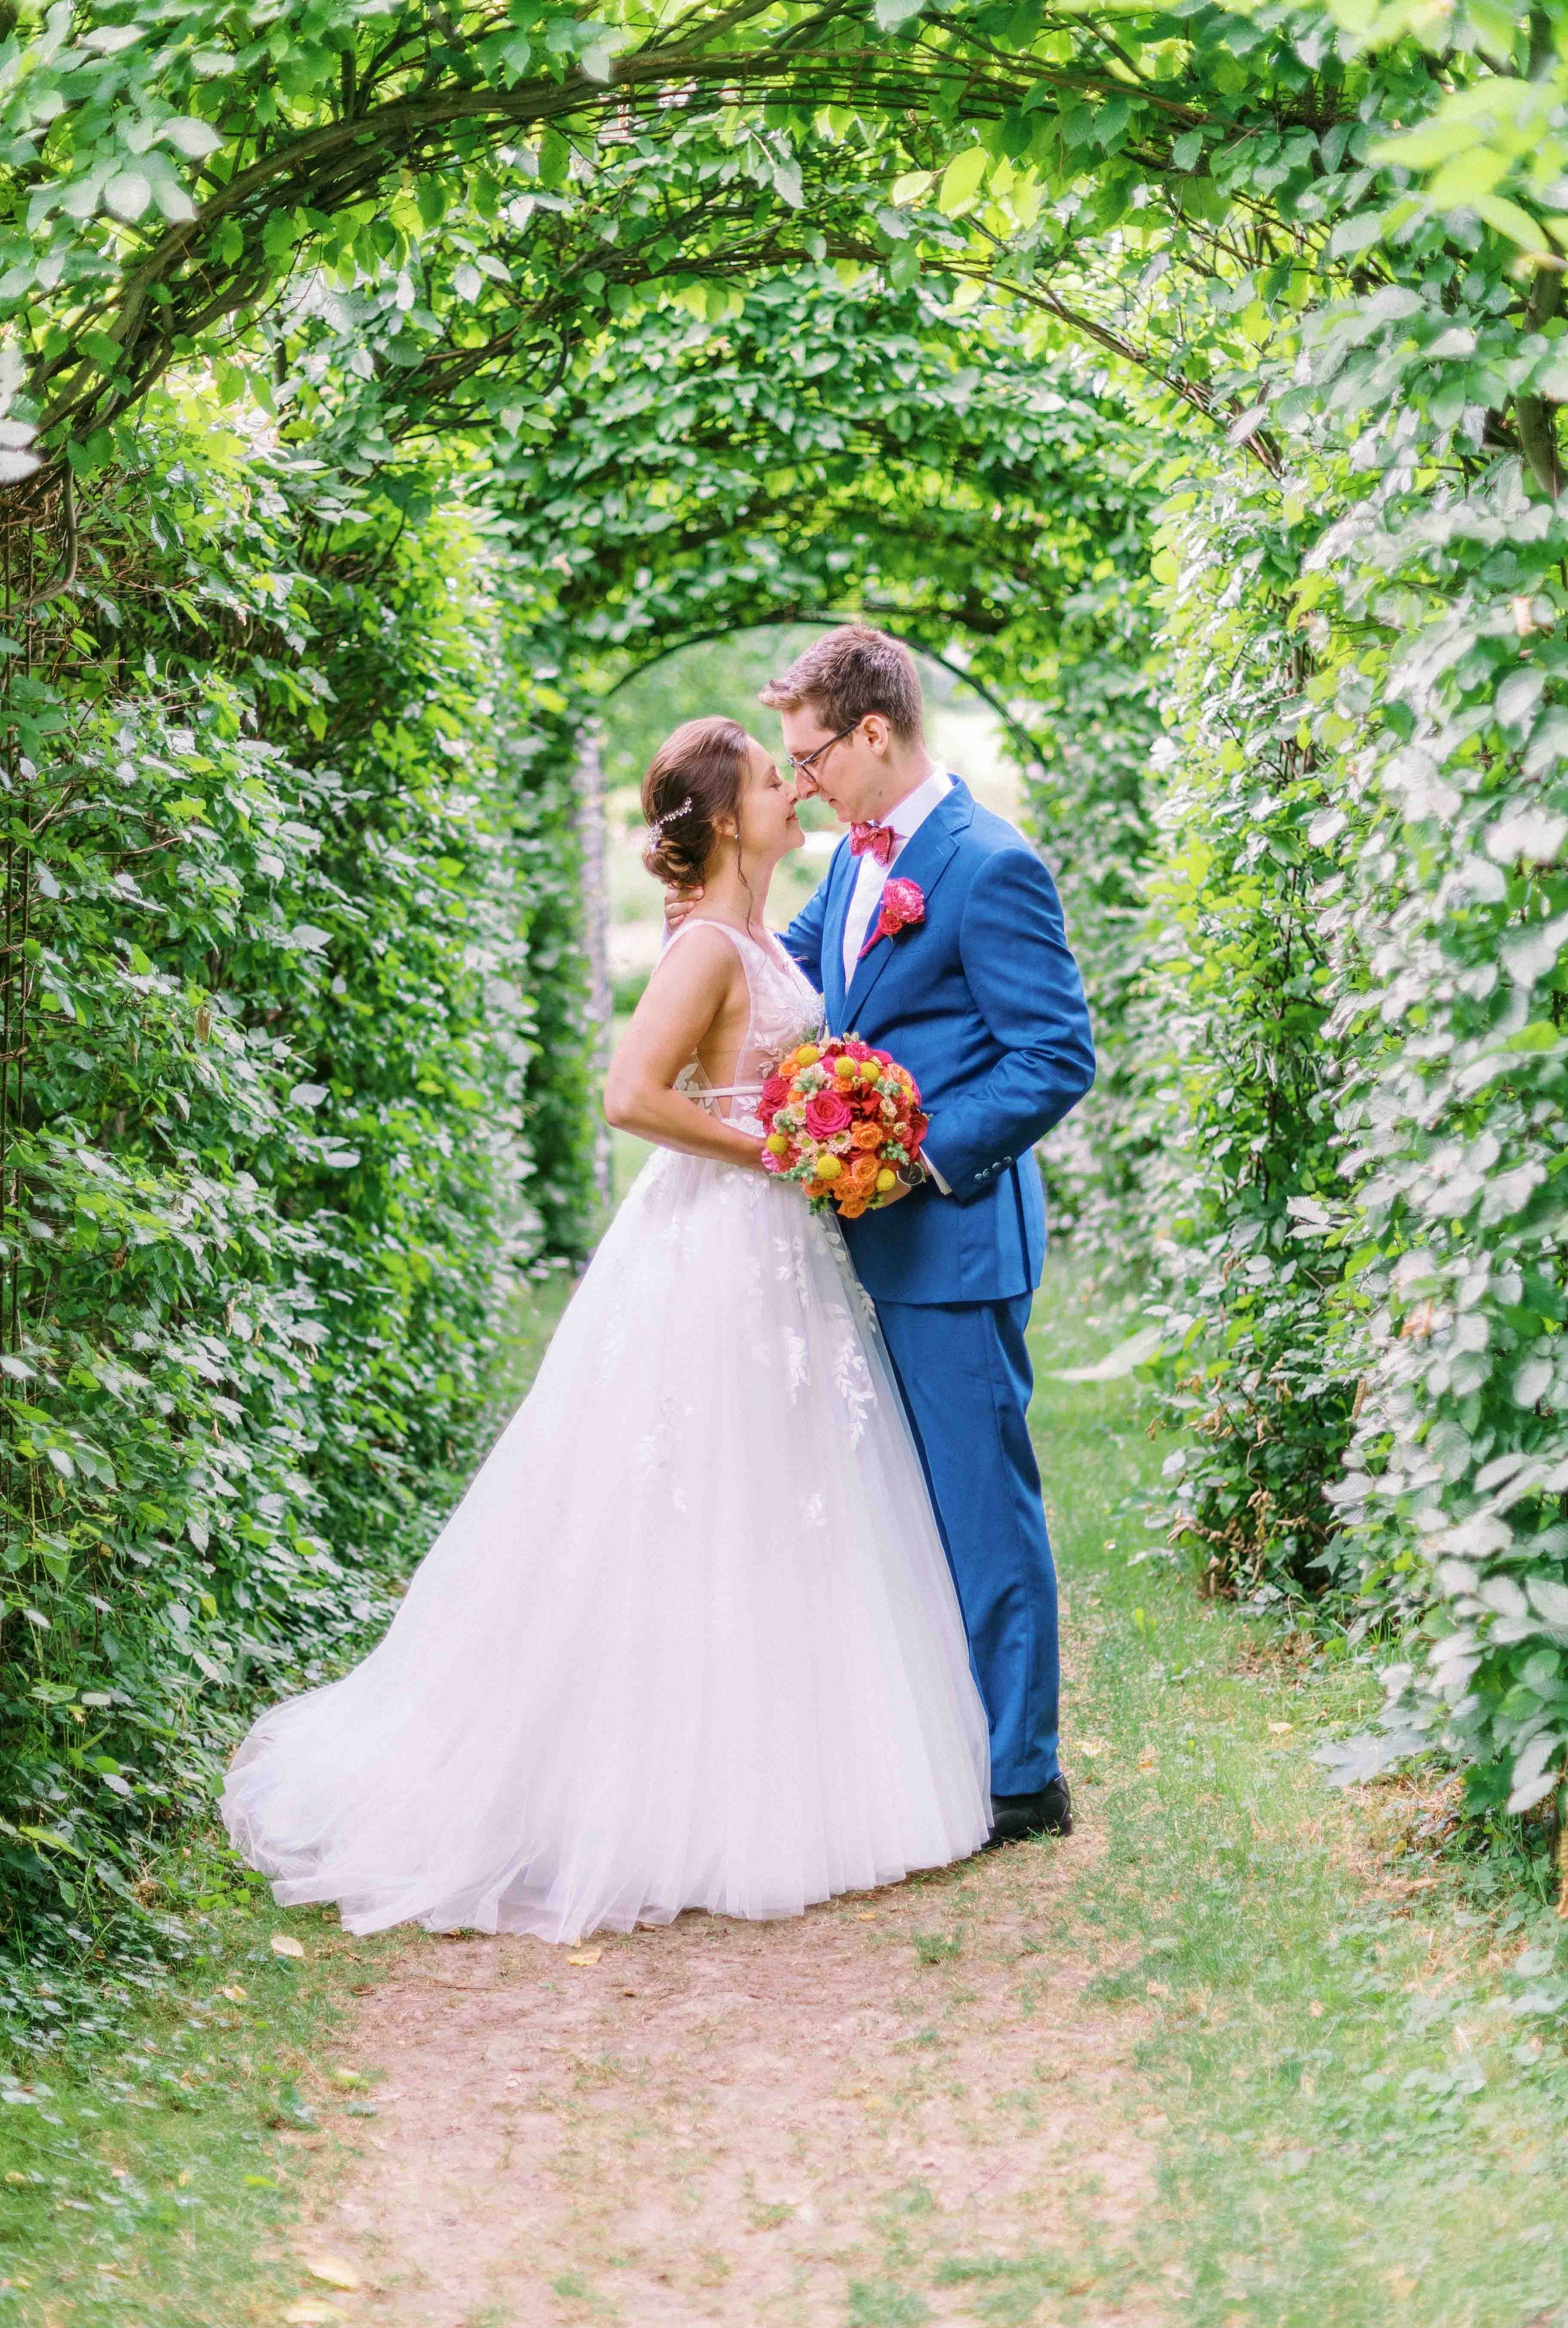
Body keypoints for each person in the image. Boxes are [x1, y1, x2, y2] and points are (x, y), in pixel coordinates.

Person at [221, 715, 991, 1944]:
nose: (794, 795)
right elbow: (632, 1095)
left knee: (789, 1489)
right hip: (717, 1243)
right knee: (691, 1491)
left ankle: (788, 1773)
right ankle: (645, 1792)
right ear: (728, 818)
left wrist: (823, 1132)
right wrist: (784, 1145)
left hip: (780, 1250)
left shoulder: (756, 938)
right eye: (768, 782)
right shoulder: (702, 953)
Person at [667, 629, 1095, 1846]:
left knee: (976, 1503)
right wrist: (699, 929)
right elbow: (786, 982)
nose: (798, 782)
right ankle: (931, 1748)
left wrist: (912, 1154)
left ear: (874, 733)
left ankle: (1021, 1774)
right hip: (842, 1248)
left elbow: (1054, 1057)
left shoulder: (986, 864)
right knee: (882, 1511)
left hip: (950, 1242)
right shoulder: (859, 863)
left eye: (810, 757)